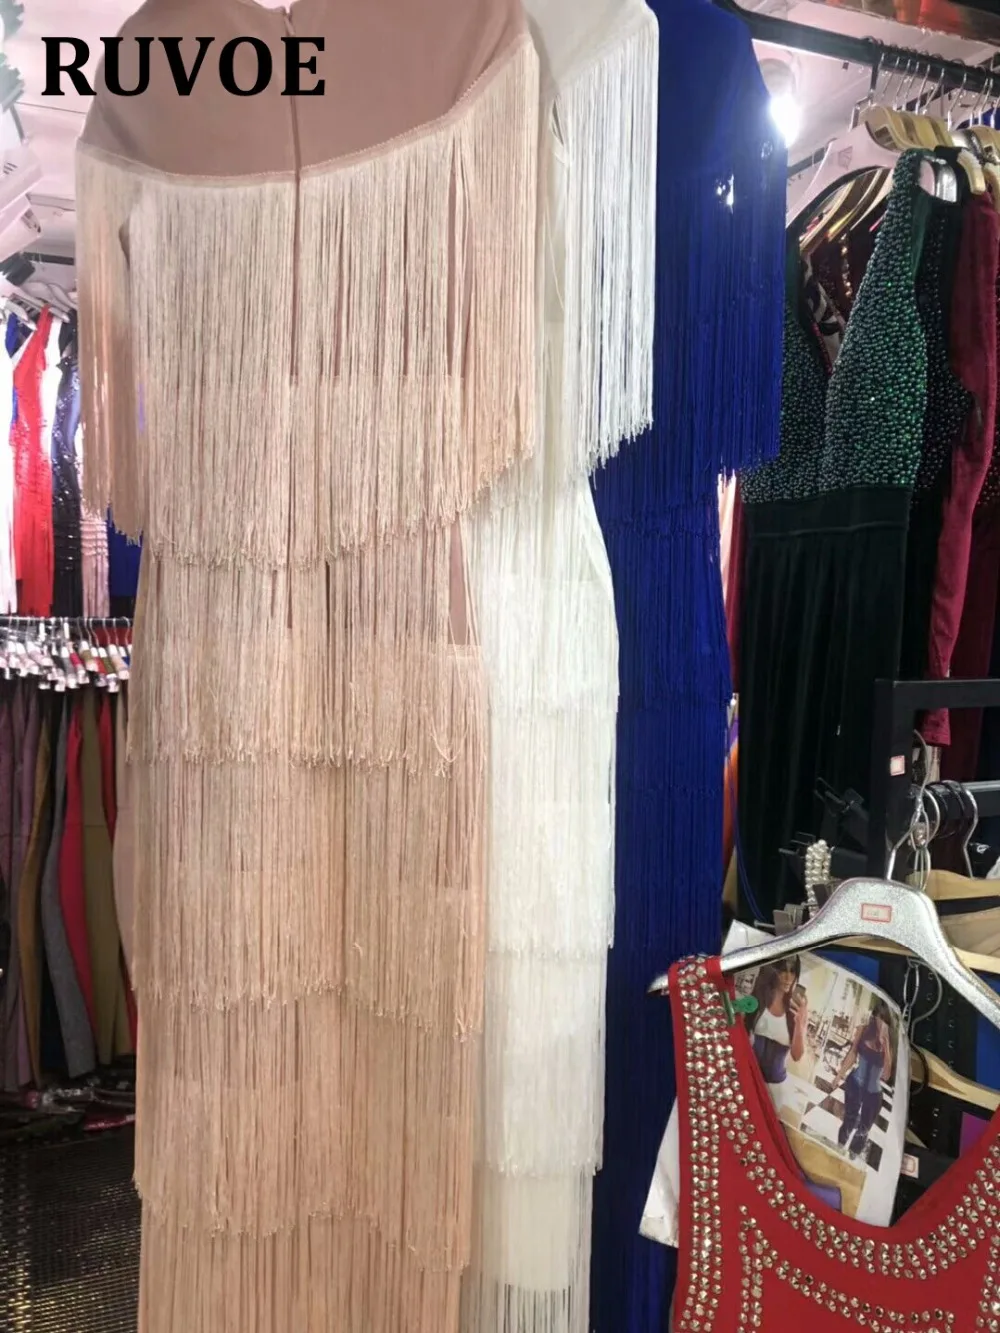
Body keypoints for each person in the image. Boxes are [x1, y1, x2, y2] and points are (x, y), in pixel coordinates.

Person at [832, 1002, 893, 1160]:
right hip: (855, 1084)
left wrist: (886, 1046)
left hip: (873, 1093)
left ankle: (852, 1156)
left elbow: (886, 1076)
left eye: (884, 1020)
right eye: (878, 1018)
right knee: (849, 1119)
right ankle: (839, 1149)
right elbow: (852, 1054)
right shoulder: (863, 1030)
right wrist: (839, 1076)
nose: (881, 1023)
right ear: (873, 1018)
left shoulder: (887, 1044)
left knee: (864, 1129)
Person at [746, 956, 809, 1084]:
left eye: (793, 971)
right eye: (783, 970)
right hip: (749, 1076)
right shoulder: (759, 999)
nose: (788, 978)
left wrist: (799, 1024)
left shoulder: (797, 1011)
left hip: (777, 1084)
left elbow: (797, 1056)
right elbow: (743, 1031)